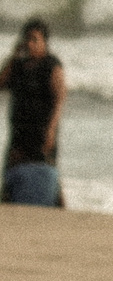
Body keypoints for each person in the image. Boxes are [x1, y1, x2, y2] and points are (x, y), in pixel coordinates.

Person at [4, 19, 66, 207]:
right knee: (12, 178)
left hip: (42, 131)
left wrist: (51, 130)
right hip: (19, 133)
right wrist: (13, 56)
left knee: (48, 178)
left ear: (44, 43)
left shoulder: (52, 66)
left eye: (34, 40)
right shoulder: (18, 66)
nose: (30, 44)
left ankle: (65, 219)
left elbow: (60, 99)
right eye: (27, 40)